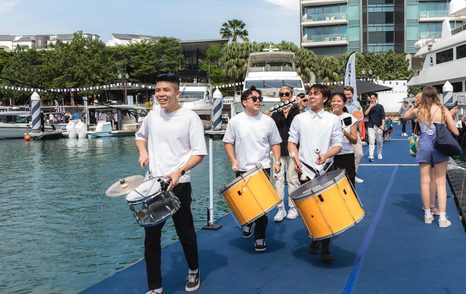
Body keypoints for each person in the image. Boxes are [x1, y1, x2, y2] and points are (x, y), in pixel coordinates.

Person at [135, 73, 207, 294]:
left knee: (185, 232)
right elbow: (140, 136)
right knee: (151, 238)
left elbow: (199, 153)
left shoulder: (189, 118)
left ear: (177, 92)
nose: (161, 94)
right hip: (153, 185)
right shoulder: (151, 116)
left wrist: (179, 171)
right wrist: (143, 151)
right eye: (157, 90)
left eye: (166, 90)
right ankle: (155, 287)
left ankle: (194, 270)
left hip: (179, 185)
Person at [223, 86, 282, 252]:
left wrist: (277, 161)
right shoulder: (235, 121)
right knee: (246, 203)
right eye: (254, 98)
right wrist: (233, 160)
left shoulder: (268, 121)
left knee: (262, 205)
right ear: (244, 102)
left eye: (259, 99)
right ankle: (248, 223)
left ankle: (260, 237)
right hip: (242, 169)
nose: (258, 101)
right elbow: (228, 142)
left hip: (262, 168)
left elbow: (276, 142)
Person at [288, 84, 342, 262]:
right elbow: (292, 142)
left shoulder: (333, 119)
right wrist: (295, 159)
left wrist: (326, 155)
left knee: (325, 208)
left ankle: (325, 247)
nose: (311, 97)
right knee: (310, 209)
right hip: (304, 170)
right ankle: (314, 236)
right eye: (309, 94)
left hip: (326, 170)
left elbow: (338, 145)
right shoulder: (300, 118)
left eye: (315, 94)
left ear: (324, 98)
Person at [403, 88, 459, 228]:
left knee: (424, 182)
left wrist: (416, 104)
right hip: (439, 146)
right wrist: (449, 117)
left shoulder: (419, 110)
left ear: (423, 97)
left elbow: (405, 116)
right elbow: (455, 131)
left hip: (424, 146)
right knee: (440, 182)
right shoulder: (442, 109)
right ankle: (442, 218)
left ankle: (427, 215)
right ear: (436, 96)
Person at [269, 86, 301, 222]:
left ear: (292, 95)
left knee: (293, 179)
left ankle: (293, 207)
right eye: (281, 94)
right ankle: (280, 208)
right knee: (278, 180)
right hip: (278, 151)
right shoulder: (276, 112)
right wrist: (272, 111)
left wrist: (298, 105)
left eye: (287, 93)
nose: (284, 96)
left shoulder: (297, 110)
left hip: (293, 149)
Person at [331, 92, 358, 185]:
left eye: (339, 101)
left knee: (349, 183)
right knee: (332, 185)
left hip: (346, 154)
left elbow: (355, 140)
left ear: (344, 103)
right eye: (333, 101)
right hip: (330, 156)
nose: (335, 103)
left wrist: (346, 134)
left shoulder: (350, 118)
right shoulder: (327, 117)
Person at [343, 86, 364, 183]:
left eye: (349, 94)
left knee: (359, 153)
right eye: (345, 94)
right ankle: (345, 176)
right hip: (343, 133)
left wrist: (361, 132)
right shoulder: (341, 104)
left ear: (352, 94)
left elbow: (359, 119)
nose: (347, 96)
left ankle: (353, 174)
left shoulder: (357, 104)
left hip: (355, 133)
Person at [364, 93, 385, 161]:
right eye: (371, 98)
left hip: (379, 126)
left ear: (376, 98)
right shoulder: (367, 106)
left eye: (373, 98)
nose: (372, 99)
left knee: (379, 141)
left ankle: (379, 153)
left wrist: (383, 125)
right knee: (371, 141)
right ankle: (371, 155)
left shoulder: (380, 106)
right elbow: (365, 114)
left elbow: (383, 117)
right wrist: (370, 106)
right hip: (371, 126)